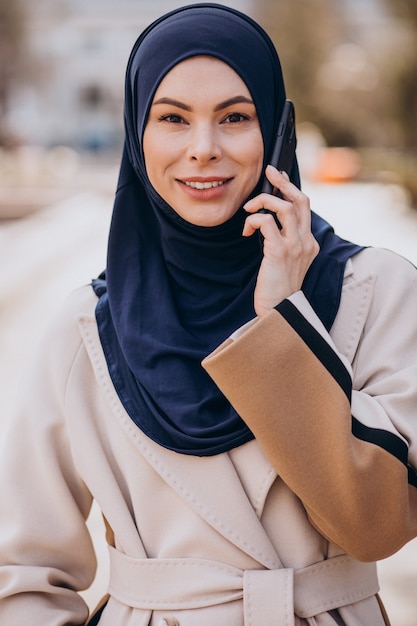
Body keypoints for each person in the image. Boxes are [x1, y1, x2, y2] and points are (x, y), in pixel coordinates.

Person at [1, 3, 417, 625]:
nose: (203, 149)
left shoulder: (377, 291)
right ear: (136, 136)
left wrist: (284, 319)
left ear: (275, 130)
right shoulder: (87, 330)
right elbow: (25, 578)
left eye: (235, 117)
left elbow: (377, 524)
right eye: (172, 118)